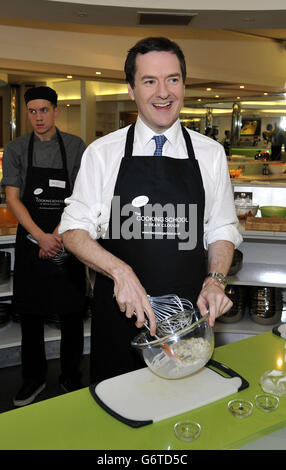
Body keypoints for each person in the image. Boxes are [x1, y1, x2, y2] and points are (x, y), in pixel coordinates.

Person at [59, 37, 242, 383]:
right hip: (120, 322)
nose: (163, 93)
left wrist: (216, 281)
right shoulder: (103, 153)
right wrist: (120, 272)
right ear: (131, 89)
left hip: (187, 323)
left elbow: (221, 228)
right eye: (149, 81)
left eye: (172, 79)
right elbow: (72, 231)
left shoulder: (210, 154)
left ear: (184, 85)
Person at [1, 86, 87, 406]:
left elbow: (81, 197)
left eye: (44, 110)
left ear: (56, 110)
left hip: (67, 238)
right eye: (33, 111)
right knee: (32, 316)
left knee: (72, 314)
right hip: (31, 242)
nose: (38, 117)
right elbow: (13, 197)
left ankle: (70, 376)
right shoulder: (16, 148)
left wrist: (58, 234)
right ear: (27, 113)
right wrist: (40, 235)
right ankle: (32, 380)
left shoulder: (76, 146)